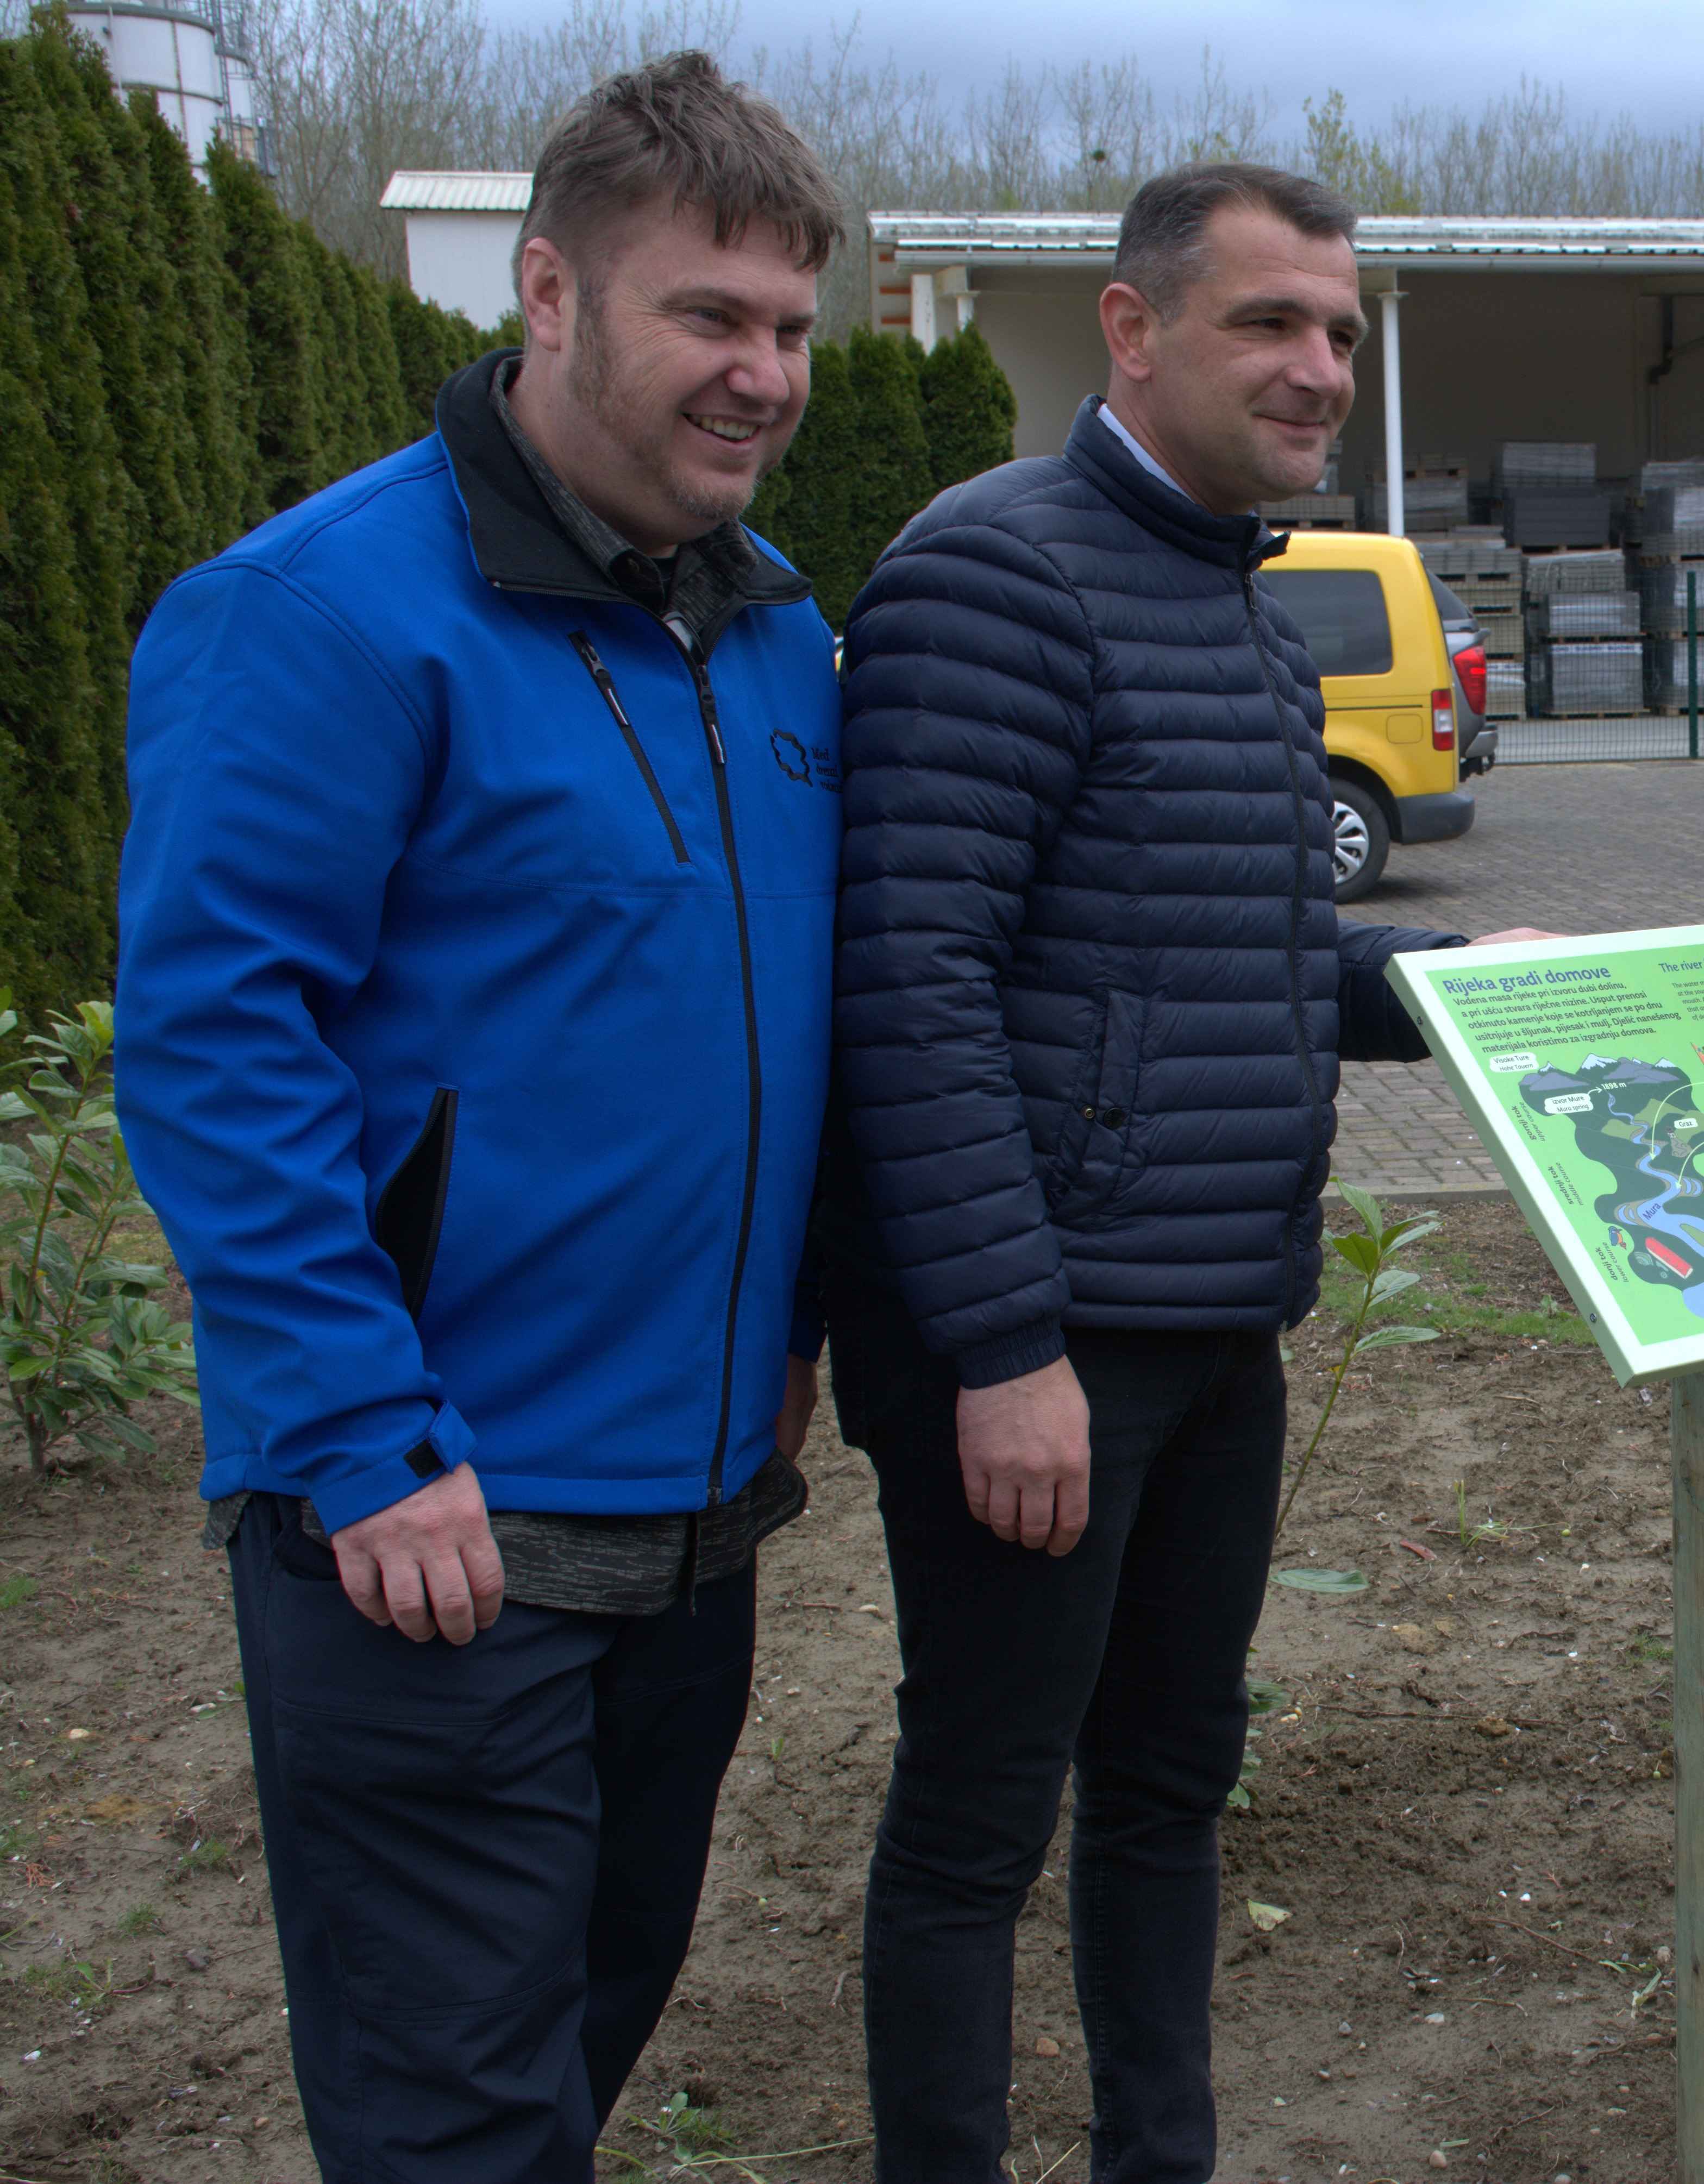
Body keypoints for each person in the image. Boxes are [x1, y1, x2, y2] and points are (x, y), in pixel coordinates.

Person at [112, 53, 845, 2182]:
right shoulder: (321, 616)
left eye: (792, 330)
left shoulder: (776, 634)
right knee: (457, 2123)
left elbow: (780, 1023)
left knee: (579, 2056)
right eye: (709, 316)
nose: (763, 376)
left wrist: (793, 1333)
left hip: (696, 1533)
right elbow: (215, 1041)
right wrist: (359, 1430)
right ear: (549, 289)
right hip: (432, 1542)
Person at [827, 161, 1546, 2183]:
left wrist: (1466, 988)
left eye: (1339, 328)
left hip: (1222, 1318)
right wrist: (999, 1346)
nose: (1319, 365)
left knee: (1167, 1790)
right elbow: (913, 982)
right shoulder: (992, 578)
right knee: (977, 1822)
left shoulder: (1245, 607)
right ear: (1133, 331)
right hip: (1046, 1346)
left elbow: (1230, 959)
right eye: (1269, 324)